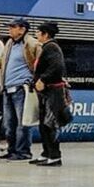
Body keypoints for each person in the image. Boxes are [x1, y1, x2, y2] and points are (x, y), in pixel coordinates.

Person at [31, 21, 69, 167]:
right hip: (47, 92)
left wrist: (43, 79)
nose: (36, 35)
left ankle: (54, 155)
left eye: (38, 32)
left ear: (45, 34)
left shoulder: (51, 47)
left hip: (53, 92)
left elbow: (57, 67)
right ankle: (46, 153)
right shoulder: (47, 47)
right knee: (43, 124)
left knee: (50, 125)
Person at [0, 17, 35, 160]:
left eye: (13, 27)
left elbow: (39, 62)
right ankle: (12, 149)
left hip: (21, 89)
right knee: (9, 123)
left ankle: (23, 151)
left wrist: (32, 80)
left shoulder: (31, 44)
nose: (9, 29)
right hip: (7, 88)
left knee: (22, 122)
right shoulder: (9, 44)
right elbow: (4, 60)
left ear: (22, 29)